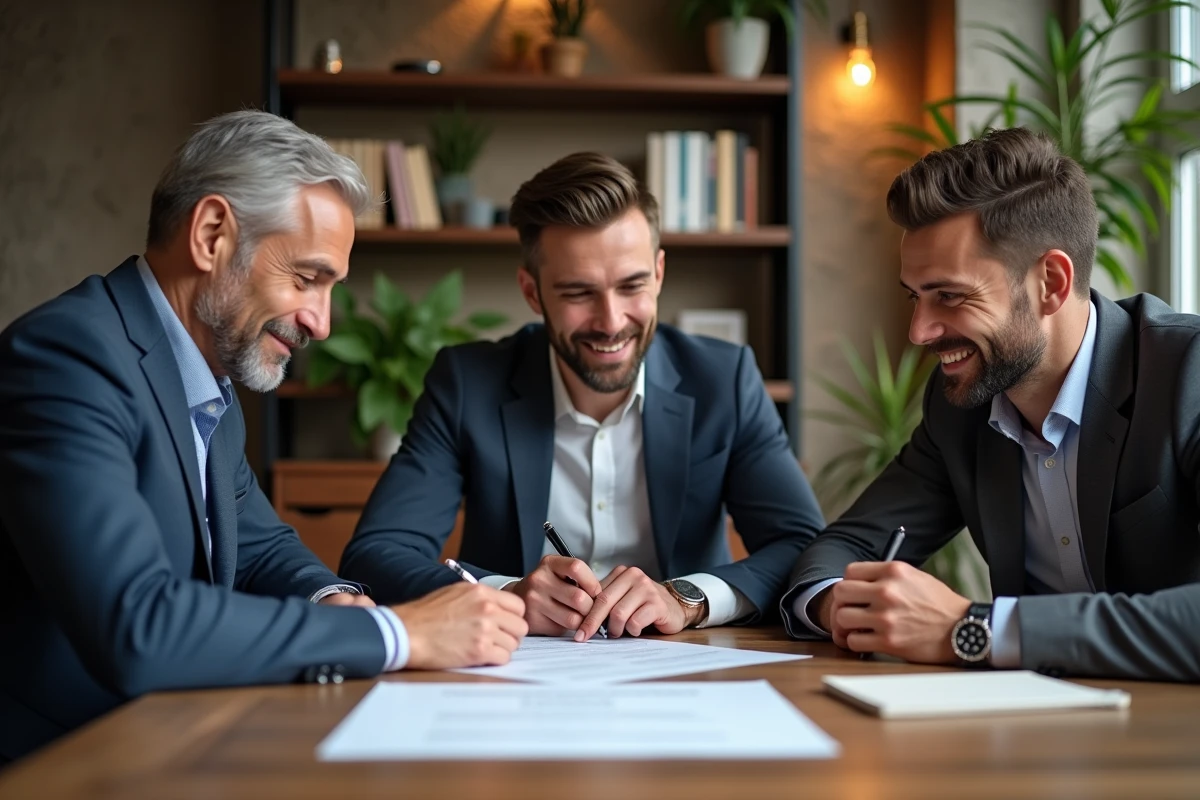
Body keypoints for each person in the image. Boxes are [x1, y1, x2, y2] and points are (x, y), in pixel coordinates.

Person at [0, 110, 527, 764]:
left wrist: (337, 598)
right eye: (306, 279)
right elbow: (138, 625)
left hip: (170, 742)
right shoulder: (67, 359)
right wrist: (398, 632)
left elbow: (259, 549)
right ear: (213, 234)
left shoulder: (204, 377)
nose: (322, 323)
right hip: (60, 763)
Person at [340, 152, 825, 643]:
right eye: (578, 293)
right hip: (513, 679)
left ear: (658, 273)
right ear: (533, 293)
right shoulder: (467, 383)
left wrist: (687, 598)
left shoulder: (724, 380)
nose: (611, 321)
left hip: (686, 674)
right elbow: (378, 552)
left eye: (632, 286)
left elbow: (803, 546)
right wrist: (506, 594)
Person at [780, 127, 1200, 682]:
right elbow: (849, 545)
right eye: (916, 296)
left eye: (950, 296)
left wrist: (972, 628)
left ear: (1051, 282)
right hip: (1030, 732)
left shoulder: (1187, 372)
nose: (919, 331)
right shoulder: (962, 404)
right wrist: (844, 604)